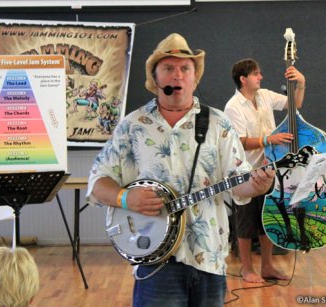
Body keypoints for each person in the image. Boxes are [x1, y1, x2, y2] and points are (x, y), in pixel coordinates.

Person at [86, 33, 275, 306]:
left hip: (209, 258)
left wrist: (260, 184)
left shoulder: (218, 124)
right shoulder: (133, 125)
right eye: (169, 68)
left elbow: (238, 183)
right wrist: (125, 198)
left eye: (185, 68)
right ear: (155, 80)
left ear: (195, 78)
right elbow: (97, 181)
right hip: (155, 262)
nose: (178, 75)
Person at [224, 58, 306, 283]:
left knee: (268, 219)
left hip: (269, 171)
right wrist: (268, 140)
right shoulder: (233, 106)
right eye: (256, 74)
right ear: (243, 79)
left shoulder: (265, 96)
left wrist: (301, 83)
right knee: (245, 224)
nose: (261, 77)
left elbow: (294, 104)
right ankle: (247, 269)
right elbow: (239, 142)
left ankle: (267, 267)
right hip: (244, 174)